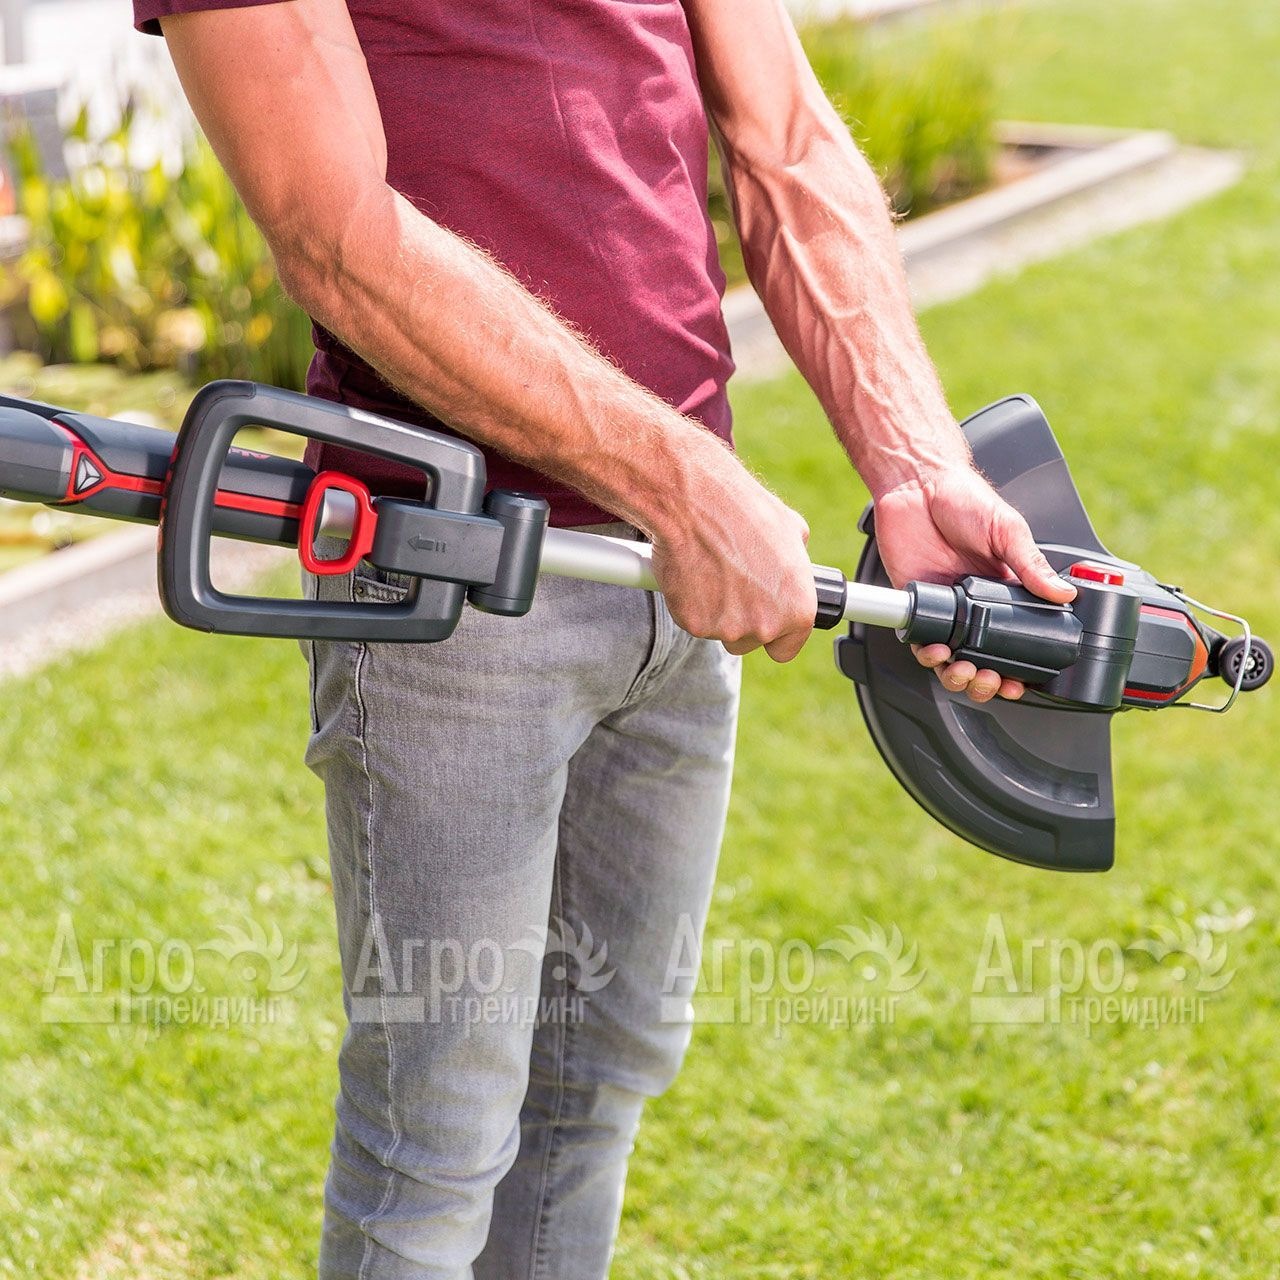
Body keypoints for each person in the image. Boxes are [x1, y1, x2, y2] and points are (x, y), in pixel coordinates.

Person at [134, 1, 1075, 1275]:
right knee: (434, 1144)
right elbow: (331, 229)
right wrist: (681, 484)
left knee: (595, 1083)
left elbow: (784, 135)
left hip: (671, 583)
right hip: (454, 583)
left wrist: (913, 463)